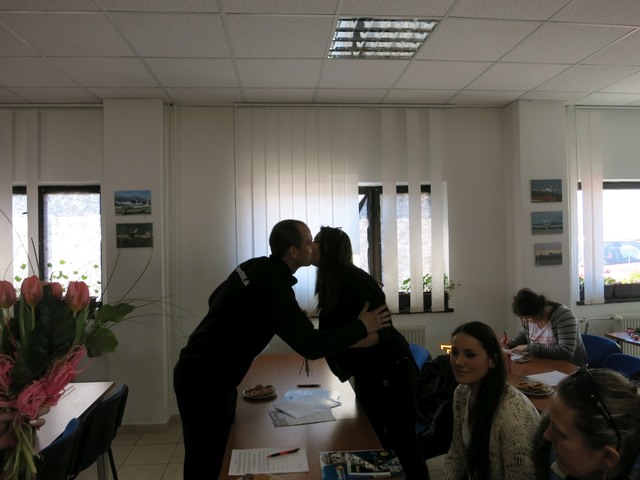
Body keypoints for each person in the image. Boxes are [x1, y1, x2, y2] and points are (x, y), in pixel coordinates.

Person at [173, 219, 392, 480]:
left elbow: (215, 299)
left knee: (212, 454)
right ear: (293, 251)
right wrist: (361, 326)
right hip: (205, 381)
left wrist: (255, 322)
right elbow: (311, 346)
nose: (313, 246)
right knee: (207, 461)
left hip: (198, 370)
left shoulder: (254, 266)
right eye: (309, 242)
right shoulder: (274, 286)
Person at [312, 226, 430, 480]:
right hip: (370, 370)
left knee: (402, 441)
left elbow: (380, 333)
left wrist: (335, 342)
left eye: (318, 241)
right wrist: (335, 340)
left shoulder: (356, 281)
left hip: (391, 368)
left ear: (331, 249)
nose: (312, 245)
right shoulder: (331, 280)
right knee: (372, 435)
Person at [440, 321, 540, 480]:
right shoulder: (461, 393)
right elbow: (457, 454)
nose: (458, 361)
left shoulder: (514, 417)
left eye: (470, 355)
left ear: (492, 360)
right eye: (454, 352)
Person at [534, 366, 640, 480]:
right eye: (551, 421)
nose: (546, 435)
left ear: (607, 456)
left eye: (560, 434)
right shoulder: (552, 454)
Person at [502, 288, 587, 366]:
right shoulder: (529, 317)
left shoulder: (564, 316)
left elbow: (565, 353)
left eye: (528, 318)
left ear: (538, 310)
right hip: (543, 366)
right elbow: (523, 336)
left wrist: (528, 347)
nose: (526, 321)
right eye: (523, 318)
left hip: (570, 369)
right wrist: (512, 342)